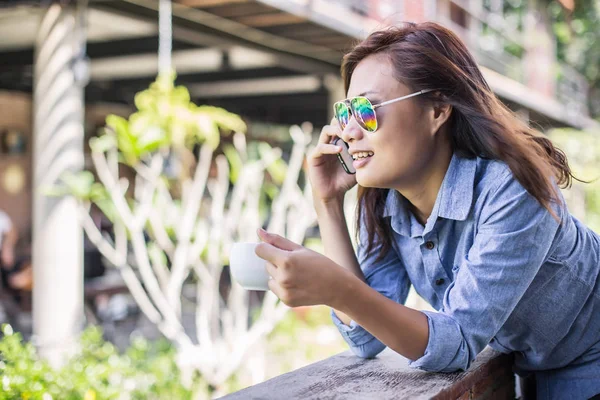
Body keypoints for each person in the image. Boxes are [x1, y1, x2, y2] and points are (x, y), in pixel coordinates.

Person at [254, 22, 600, 400]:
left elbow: (458, 341)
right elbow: (366, 337)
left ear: (437, 108)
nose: (350, 130)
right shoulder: (388, 203)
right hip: (530, 365)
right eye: (346, 111)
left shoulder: (511, 190)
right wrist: (327, 202)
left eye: (368, 109)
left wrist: (339, 289)